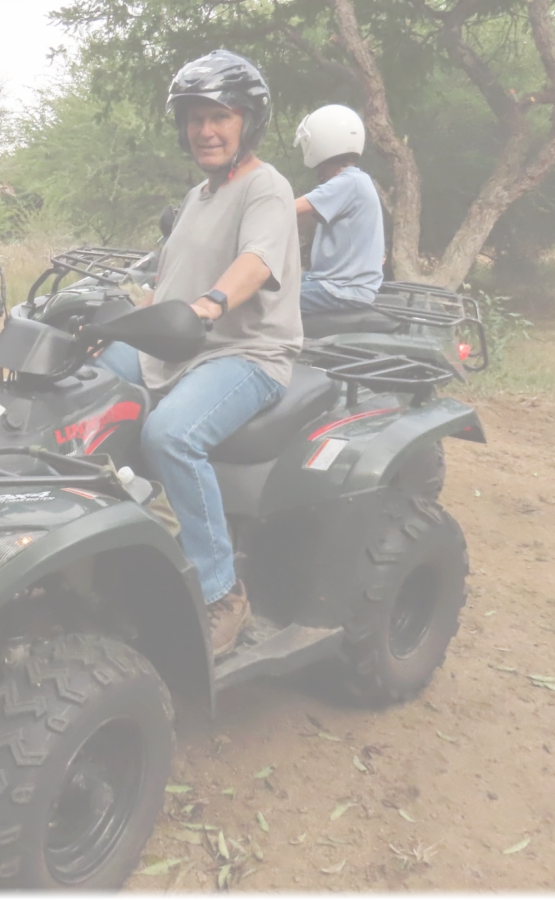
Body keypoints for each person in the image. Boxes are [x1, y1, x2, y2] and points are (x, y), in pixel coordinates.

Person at [98, 49, 302, 658]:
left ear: (248, 122)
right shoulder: (196, 197)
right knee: (79, 391)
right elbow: (168, 281)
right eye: (195, 119)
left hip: (244, 352)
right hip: (177, 346)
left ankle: (221, 591)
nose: (205, 131)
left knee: (170, 435)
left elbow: (257, 261)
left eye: (220, 117)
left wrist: (211, 304)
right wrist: (121, 321)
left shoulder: (266, 187)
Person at [293, 104, 385, 313]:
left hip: (342, 289)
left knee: (260, 300)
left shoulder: (349, 182)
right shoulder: (354, 181)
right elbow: (299, 218)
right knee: (277, 282)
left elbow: (289, 209)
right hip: (334, 283)